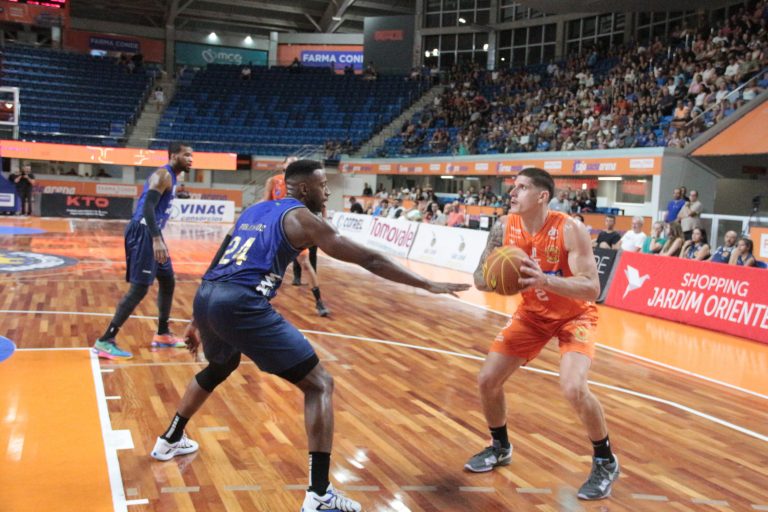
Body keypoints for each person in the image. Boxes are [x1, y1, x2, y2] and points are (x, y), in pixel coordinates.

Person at [150, 159, 469, 511]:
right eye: (323, 185)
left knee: (220, 366)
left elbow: (220, 258)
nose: (328, 191)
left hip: (208, 295)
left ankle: (170, 438)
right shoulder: (303, 219)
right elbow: (370, 260)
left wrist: (198, 318)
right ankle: (319, 494)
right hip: (241, 303)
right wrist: (426, 283)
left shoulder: (253, 210)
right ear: (304, 189)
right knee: (319, 384)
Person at [464, 167, 618, 501]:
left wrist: (545, 280)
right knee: (487, 379)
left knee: (573, 387)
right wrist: (498, 275)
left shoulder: (570, 229)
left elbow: (592, 288)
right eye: (513, 187)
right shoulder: (504, 226)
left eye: (521, 188)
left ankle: (605, 461)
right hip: (532, 315)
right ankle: (500, 446)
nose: (512, 193)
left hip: (574, 316)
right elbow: (479, 278)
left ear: (542, 196)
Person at [92, 142, 193, 359]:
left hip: (153, 232)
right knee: (139, 289)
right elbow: (148, 206)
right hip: (144, 232)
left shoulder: (173, 177)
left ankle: (163, 334)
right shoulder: (162, 175)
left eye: (191, 156)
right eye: (186, 155)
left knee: (167, 280)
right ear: (173, 156)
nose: (190, 159)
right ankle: (105, 340)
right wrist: (156, 239)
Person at [263, 156, 327, 315]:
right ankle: (259, 302)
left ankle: (319, 302)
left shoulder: (303, 183)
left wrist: (323, 221)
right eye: (289, 162)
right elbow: (266, 203)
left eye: (295, 162)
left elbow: (320, 202)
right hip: (275, 228)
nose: (292, 164)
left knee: (305, 263)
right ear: (283, 165)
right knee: (265, 265)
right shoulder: (273, 181)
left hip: (294, 229)